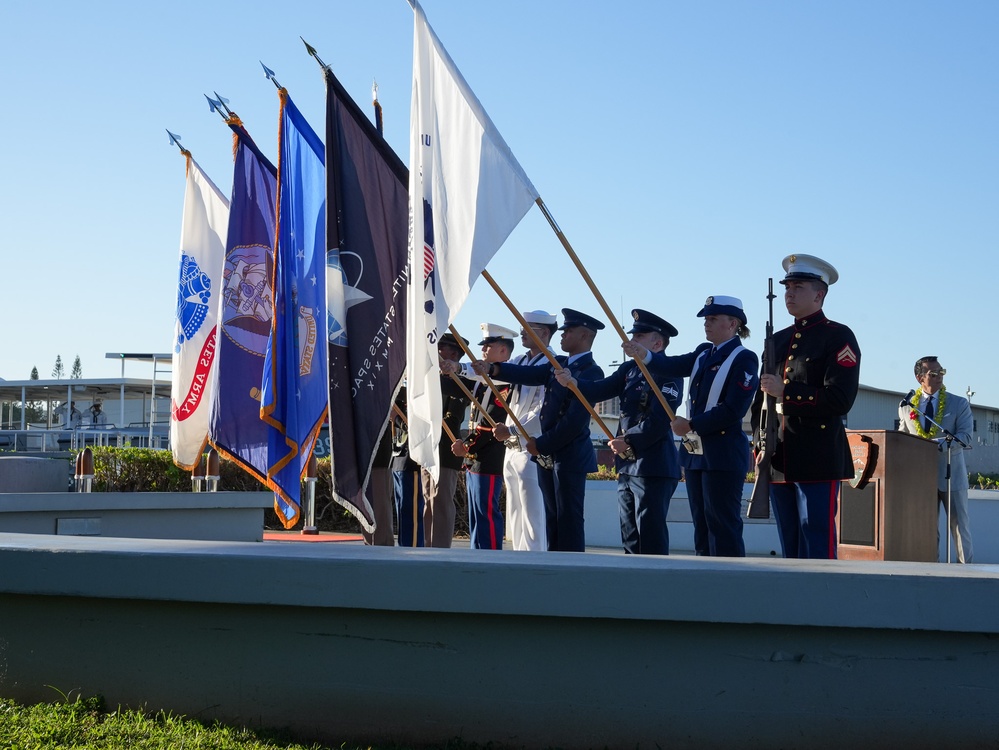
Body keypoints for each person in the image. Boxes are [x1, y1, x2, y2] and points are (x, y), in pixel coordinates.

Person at [628, 297, 759, 557]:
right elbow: (672, 364)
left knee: (722, 525)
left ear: (733, 323)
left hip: (722, 454)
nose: (706, 325)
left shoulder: (744, 358)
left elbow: (734, 409)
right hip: (696, 455)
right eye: (706, 320)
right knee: (701, 524)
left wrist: (691, 425)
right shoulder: (702, 352)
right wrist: (645, 355)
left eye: (712, 319)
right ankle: (705, 578)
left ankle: (729, 581)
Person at [751, 254, 861, 559]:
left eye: (798, 286)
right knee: (790, 538)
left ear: (819, 294)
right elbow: (761, 399)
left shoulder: (838, 336)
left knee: (816, 537)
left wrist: (788, 391)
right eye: (788, 286)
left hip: (817, 454)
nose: (789, 293)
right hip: (778, 453)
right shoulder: (779, 339)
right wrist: (758, 440)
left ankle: (824, 601)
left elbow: (840, 399)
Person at [481, 308, 604, 552]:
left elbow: (574, 421)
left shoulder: (592, 371)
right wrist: (494, 369)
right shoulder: (556, 365)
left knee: (567, 519)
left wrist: (542, 444)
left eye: (569, 331)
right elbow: (528, 373)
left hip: (567, 455)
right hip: (547, 454)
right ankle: (551, 568)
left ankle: (570, 572)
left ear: (584, 336)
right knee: (552, 519)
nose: (563, 335)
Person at [564, 310, 683, 555]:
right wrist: (574, 384)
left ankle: (653, 589)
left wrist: (628, 440)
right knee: (629, 534)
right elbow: (600, 389)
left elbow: (661, 419)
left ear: (657, 344)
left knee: (650, 536)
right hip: (628, 465)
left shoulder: (669, 371)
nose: (631, 341)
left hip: (653, 466)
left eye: (639, 336)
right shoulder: (630, 369)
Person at [897, 357, 974, 563]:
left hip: (952, 475)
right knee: (927, 529)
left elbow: (966, 437)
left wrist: (940, 444)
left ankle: (966, 573)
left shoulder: (959, 403)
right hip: (921, 479)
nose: (939, 376)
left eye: (942, 372)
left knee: (959, 528)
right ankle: (930, 571)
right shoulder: (907, 406)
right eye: (933, 373)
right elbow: (902, 438)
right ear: (919, 378)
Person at [492, 311, 557, 551]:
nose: (522, 332)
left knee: (533, 516)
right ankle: (519, 560)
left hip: (531, 446)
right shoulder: (519, 361)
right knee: (515, 514)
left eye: (528, 328)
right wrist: (461, 368)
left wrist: (510, 429)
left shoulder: (552, 364)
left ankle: (535, 561)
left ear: (545, 333)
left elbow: (543, 410)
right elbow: (493, 372)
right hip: (511, 448)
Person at [452, 324, 515, 549]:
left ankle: (490, 557)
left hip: (489, 456)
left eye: (489, 346)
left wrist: (467, 448)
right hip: (475, 457)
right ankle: (476, 553)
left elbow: (490, 426)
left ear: (503, 351)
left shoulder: (506, 383)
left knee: (486, 512)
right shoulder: (484, 381)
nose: (483, 350)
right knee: (475, 512)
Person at [423, 333, 471, 548]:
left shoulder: (462, 382)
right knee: (428, 500)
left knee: (441, 500)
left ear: (453, 354)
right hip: (428, 446)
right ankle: (429, 544)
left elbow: (453, 417)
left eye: (441, 348)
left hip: (446, 448)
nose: (437, 352)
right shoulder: (430, 378)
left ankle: (441, 548)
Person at [390, 387, 425, 547]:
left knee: (411, 513)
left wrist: (396, 417)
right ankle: (405, 548)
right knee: (402, 510)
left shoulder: (421, 392)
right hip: (399, 456)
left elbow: (417, 428)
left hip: (411, 459)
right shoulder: (403, 390)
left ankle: (413, 550)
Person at [362, 426, 396, 547]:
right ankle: (369, 543)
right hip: (363, 452)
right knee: (365, 505)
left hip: (379, 454)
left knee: (380, 503)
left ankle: (383, 545)